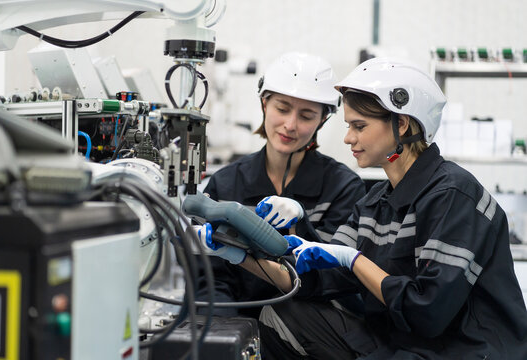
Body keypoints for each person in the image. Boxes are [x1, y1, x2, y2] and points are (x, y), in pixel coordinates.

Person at [200, 57, 527, 359]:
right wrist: (245, 258)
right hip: (401, 345)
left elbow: (427, 312)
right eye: (348, 126)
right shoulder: (374, 203)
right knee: (284, 313)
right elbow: (317, 281)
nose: (347, 139)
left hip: (461, 351)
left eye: (359, 127)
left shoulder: (453, 195)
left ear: (401, 125)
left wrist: (354, 261)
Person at [197, 52, 366, 318]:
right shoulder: (226, 183)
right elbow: (210, 281)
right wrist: (227, 333)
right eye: (282, 108)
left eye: (307, 115)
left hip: (305, 330)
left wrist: (302, 224)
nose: (290, 125)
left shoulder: (343, 187)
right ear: (264, 103)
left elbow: (333, 279)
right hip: (237, 323)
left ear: (323, 120)